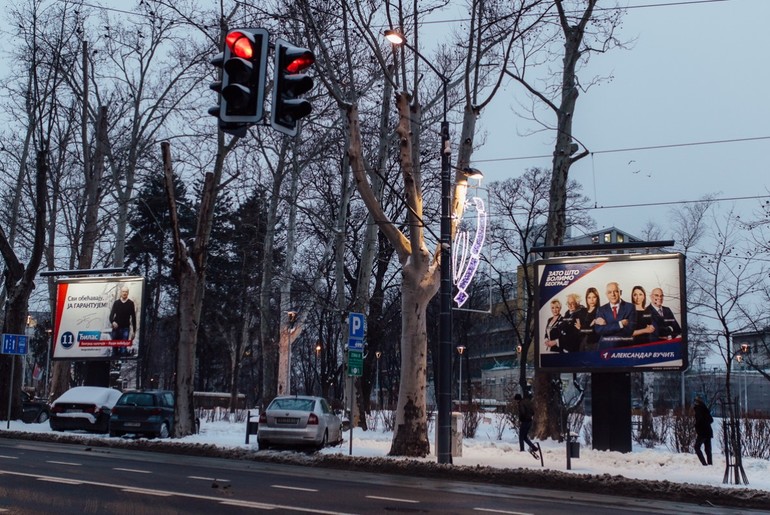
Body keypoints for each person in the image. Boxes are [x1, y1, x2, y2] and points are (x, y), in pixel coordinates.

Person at [594, 282, 636, 349]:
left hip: (624, 347)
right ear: (606, 295)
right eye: (609, 292)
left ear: (620, 292)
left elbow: (629, 330)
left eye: (615, 291)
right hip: (605, 348)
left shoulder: (630, 307)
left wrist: (607, 327)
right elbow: (599, 330)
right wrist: (620, 324)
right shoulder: (601, 309)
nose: (613, 294)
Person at [514, 393, 538, 457]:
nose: (516, 402)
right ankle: (534, 447)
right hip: (530, 421)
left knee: (521, 436)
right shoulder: (527, 402)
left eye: (516, 400)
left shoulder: (520, 404)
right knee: (525, 437)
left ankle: (522, 450)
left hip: (525, 421)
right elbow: (533, 411)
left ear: (517, 399)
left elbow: (522, 412)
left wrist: (521, 419)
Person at [577, 287, 601, 352]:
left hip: (594, 344)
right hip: (582, 344)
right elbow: (577, 330)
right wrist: (588, 327)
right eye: (589, 297)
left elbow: (594, 331)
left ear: (597, 298)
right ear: (586, 299)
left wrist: (581, 328)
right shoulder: (582, 311)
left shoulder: (600, 311)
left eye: (594, 297)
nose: (592, 300)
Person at [693, 396, 713, 466]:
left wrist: (697, 426)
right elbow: (711, 420)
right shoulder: (705, 409)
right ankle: (710, 464)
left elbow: (699, 420)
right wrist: (706, 424)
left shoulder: (698, 409)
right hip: (708, 431)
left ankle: (704, 464)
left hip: (702, 432)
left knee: (697, 447)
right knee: (708, 449)